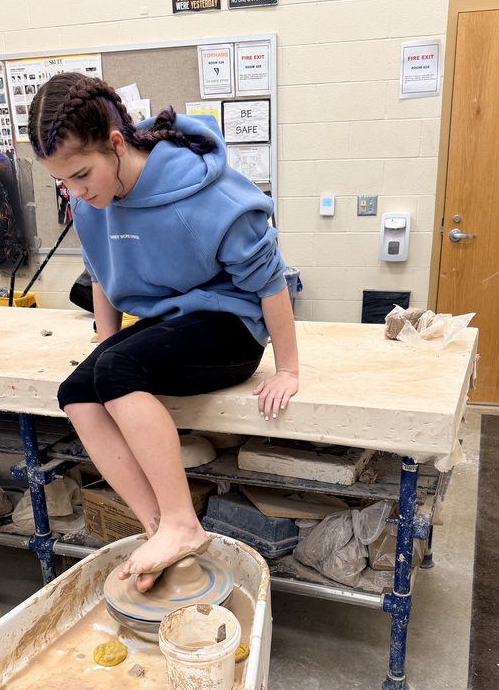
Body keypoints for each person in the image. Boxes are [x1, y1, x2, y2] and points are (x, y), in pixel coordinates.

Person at [28, 72, 299, 591]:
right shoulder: (89, 204)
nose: (75, 192)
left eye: (82, 175)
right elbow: (102, 272)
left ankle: (181, 522)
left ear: (114, 143)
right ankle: (159, 530)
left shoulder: (203, 192)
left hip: (233, 325)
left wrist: (286, 368)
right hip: (171, 323)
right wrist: (106, 345)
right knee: (77, 392)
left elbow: (271, 280)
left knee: (118, 370)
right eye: (62, 181)